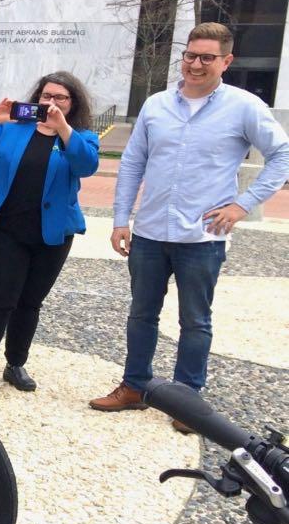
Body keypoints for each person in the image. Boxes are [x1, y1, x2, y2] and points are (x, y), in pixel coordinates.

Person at [90, 22, 289, 431]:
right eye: (190, 55)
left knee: (195, 320)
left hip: (202, 238)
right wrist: (120, 219)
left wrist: (242, 205)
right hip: (149, 232)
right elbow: (133, 163)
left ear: (226, 61)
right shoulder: (157, 105)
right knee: (141, 314)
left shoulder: (245, 107)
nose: (195, 64)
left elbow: (282, 155)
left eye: (206, 58)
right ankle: (135, 386)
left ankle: (186, 399)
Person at [0, 72, 100, 398]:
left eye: (60, 98)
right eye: (46, 96)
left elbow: (86, 165)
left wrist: (62, 129)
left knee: (30, 302)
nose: (51, 103)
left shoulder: (81, 136)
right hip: (4, 229)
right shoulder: (12, 128)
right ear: (37, 97)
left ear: (72, 103)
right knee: (0, 300)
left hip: (52, 234)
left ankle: (15, 363)